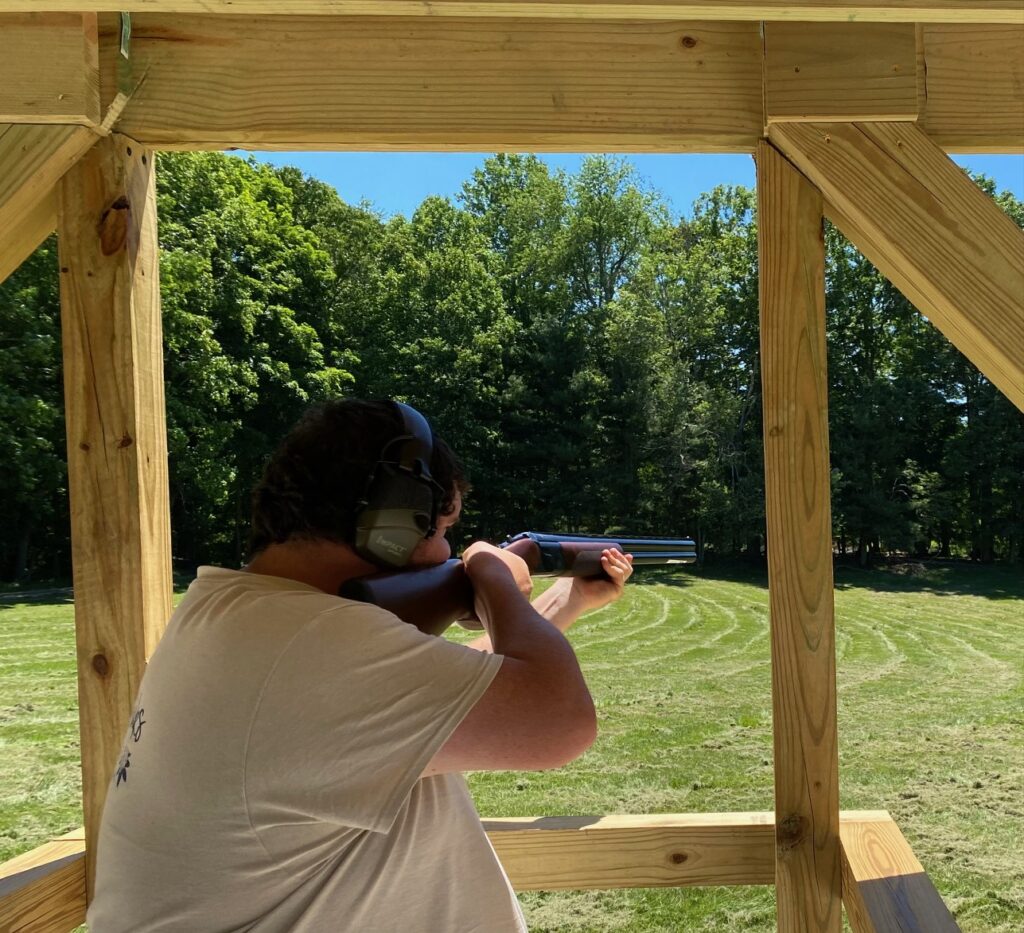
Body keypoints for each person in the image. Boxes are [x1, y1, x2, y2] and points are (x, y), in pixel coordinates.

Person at [87, 398, 633, 932]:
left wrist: (567, 602)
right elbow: (557, 723)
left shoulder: (247, 618)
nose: (449, 555)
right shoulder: (309, 642)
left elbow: (430, 702)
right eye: (441, 531)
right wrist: (494, 577)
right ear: (391, 522)